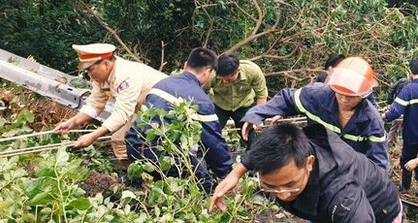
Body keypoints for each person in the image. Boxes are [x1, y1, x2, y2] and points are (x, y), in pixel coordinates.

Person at [210, 123, 402, 223]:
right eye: (270, 186)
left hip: (381, 210)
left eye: (290, 184)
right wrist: (235, 174)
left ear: (309, 163)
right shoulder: (289, 148)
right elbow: (259, 153)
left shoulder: (342, 195)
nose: (283, 195)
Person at [240, 56, 388, 170]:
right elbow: (287, 99)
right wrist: (256, 115)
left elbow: (378, 164)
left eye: (350, 96)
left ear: (363, 94)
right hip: (315, 163)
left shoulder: (371, 121)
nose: (343, 99)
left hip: (348, 173)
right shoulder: (317, 97)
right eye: (339, 93)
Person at [125, 47, 232, 193]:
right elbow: (213, 142)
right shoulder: (201, 100)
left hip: (133, 145)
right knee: (203, 182)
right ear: (207, 72)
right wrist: (226, 174)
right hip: (159, 153)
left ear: (185, 65)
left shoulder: (161, 84)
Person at [54, 43, 167, 163]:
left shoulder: (125, 75)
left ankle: (141, 175)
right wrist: (72, 122)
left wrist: (94, 136)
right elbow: (95, 104)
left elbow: (122, 113)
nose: (90, 75)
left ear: (106, 64)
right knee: (119, 138)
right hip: (143, 109)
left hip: (164, 107)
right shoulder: (101, 78)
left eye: (91, 70)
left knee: (124, 138)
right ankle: (134, 174)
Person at [383, 57, 418, 194]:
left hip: (412, 131)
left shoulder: (408, 90)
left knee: (407, 159)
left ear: (410, 71)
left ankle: (405, 186)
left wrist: (384, 116)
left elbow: (395, 111)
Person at [206, 53, 268, 147]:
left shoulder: (252, 71)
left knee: (252, 139)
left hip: (244, 104)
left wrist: (258, 118)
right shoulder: (211, 74)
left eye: (229, 80)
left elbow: (262, 95)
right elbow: (200, 93)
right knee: (209, 135)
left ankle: (249, 159)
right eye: (222, 79)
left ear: (238, 71)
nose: (225, 82)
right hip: (219, 105)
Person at [385, 76, 410, 148]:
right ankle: (404, 146)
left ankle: (390, 144)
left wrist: (390, 103)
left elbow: (391, 90)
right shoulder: (411, 85)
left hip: (396, 107)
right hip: (406, 108)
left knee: (395, 126)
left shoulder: (401, 81)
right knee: (405, 127)